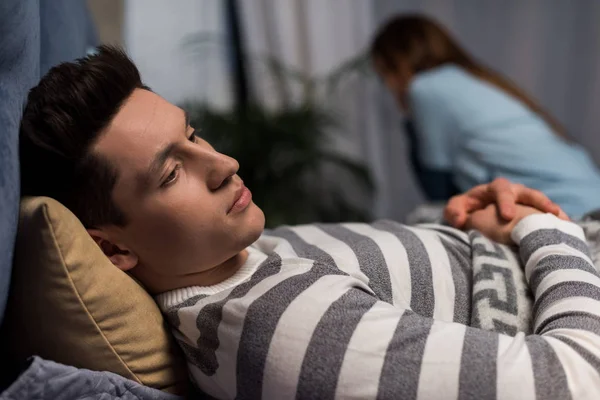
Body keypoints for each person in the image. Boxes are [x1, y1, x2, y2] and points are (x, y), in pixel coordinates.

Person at [19, 46, 600, 399]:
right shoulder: (276, 326)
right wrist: (543, 228)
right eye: (171, 174)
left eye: (193, 135)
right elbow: (578, 383)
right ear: (112, 249)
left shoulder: (237, 252)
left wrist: (464, 217)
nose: (223, 164)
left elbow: (389, 260)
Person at [371, 14, 600, 218]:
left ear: (396, 64)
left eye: (385, 73)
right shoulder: (478, 81)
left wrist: (409, 123)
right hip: (591, 195)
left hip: (568, 210)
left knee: (424, 216)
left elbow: (439, 193)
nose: (389, 85)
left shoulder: (424, 89)